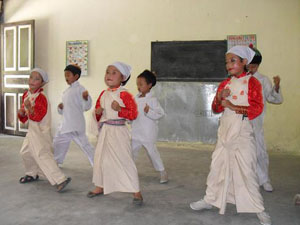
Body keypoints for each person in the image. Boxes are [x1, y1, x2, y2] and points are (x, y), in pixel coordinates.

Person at [190, 46, 271, 225]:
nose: (228, 65)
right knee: (217, 167)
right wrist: (220, 98)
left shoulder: (253, 83)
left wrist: (234, 106)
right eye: (227, 61)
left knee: (247, 170)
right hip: (225, 132)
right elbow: (215, 108)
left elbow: (257, 108)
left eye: (233, 60)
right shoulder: (225, 83)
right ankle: (210, 199)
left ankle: (259, 208)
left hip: (242, 132)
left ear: (244, 62)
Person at [87, 61, 143, 205]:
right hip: (106, 131)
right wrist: (97, 113)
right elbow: (98, 113)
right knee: (101, 158)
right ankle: (100, 185)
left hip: (119, 131)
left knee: (125, 159)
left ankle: (136, 191)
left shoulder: (125, 95)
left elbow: (133, 114)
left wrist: (120, 109)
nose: (109, 75)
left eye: (114, 73)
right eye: (107, 72)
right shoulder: (104, 94)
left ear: (123, 78)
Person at [18, 68, 71, 192]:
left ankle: (60, 179)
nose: (32, 80)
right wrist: (22, 112)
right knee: (25, 152)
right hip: (32, 130)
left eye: (37, 79)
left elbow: (37, 116)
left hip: (40, 130)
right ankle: (32, 173)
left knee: (42, 154)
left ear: (42, 83)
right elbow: (25, 116)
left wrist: (29, 109)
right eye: (31, 77)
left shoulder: (41, 97)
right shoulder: (27, 94)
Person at [248, 45, 283, 192]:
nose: (252, 68)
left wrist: (276, 87)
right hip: (240, 121)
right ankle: (244, 180)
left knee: (260, 151)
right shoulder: (238, 79)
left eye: (255, 65)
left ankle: (264, 180)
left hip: (256, 122)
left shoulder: (263, 80)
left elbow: (274, 98)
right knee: (241, 152)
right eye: (250, 64)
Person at [53, 64, 94, 166]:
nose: (66, 78)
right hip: (66, 124)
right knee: (58, 142)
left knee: (85, 146)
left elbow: (86, 107)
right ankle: (57, 161)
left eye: (68, 75)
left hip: (75, 126)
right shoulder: (67, 91)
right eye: (65, 75)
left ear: (76, 76)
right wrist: (60, 108)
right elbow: (65, 111)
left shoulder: (80, 89)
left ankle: (97, 163)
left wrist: (86, 98)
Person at [131, 70, 168, 184]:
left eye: (141, 84)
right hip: (136, 131)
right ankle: (128, 171)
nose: (138, 87)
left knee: (152, 152)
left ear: (149, 85)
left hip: (148, 132)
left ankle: (162, 172)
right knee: (131, 152)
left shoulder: (152, 100)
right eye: (137, 84)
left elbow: (160, 114)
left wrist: (149, 111)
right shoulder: (135, 99)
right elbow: (132, 113)